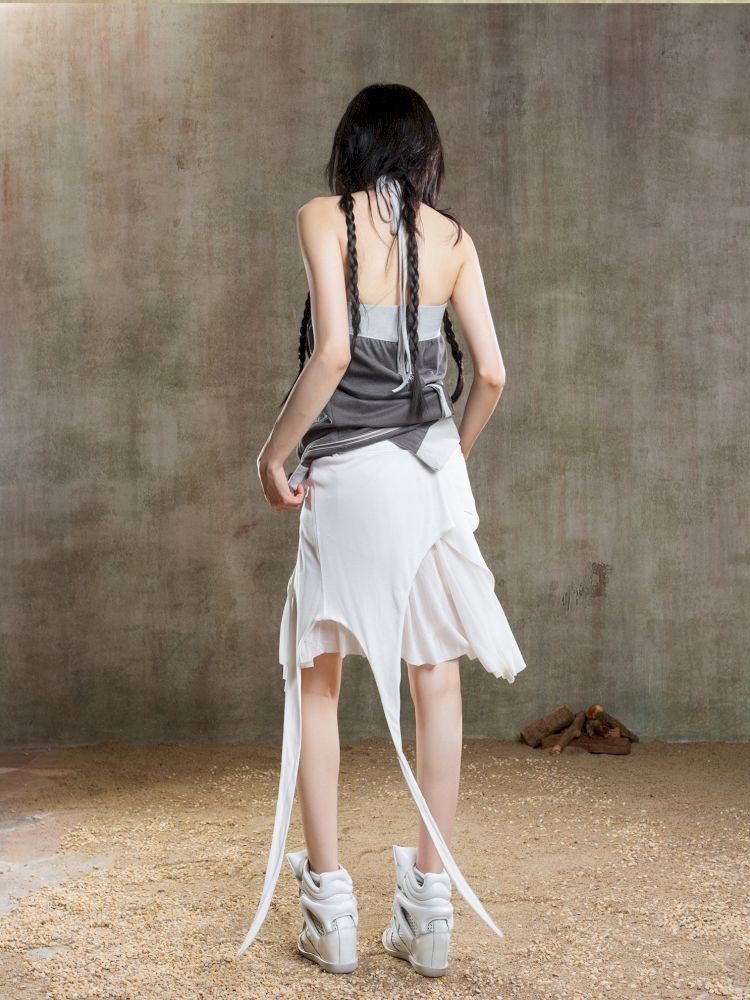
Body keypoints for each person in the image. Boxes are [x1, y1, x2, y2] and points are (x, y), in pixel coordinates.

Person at [238, 83, 527, 977]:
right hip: (425, 475)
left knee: (318, 679)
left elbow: (331, 352)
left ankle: (330, 911)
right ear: (425, 152)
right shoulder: (453, 240)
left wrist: (274, 455)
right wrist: (449, 457)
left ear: (352, 147)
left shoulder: (324, 218)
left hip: (347, 479)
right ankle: (428, 912)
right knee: (434, 676)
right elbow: (492, 374)